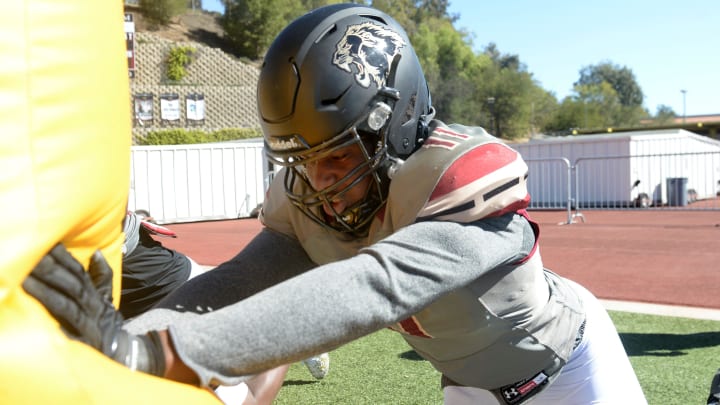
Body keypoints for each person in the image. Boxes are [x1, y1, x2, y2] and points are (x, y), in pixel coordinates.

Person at [23, 4, 647, 404]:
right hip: (470, 388)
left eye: (339, 155)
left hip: (571, 374)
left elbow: (374, 288)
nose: (319, 181)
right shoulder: (306, 195)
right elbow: (239, 283)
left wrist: (166, 353)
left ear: (398, 122)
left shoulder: (462, 174)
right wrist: (127, 336)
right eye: (301, 159)